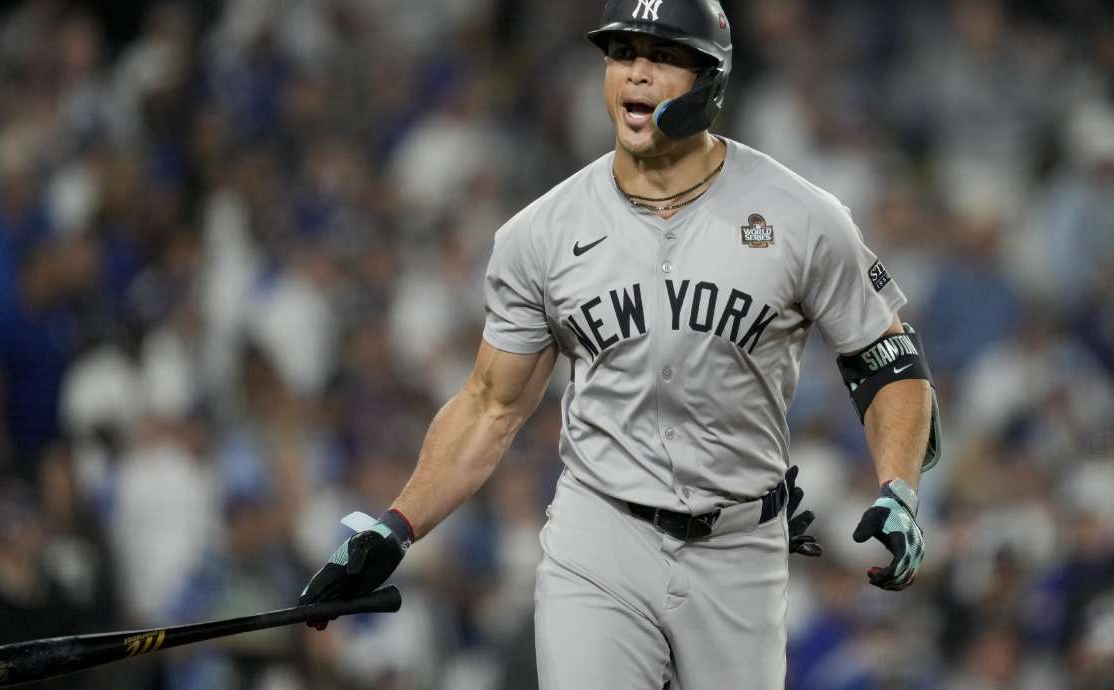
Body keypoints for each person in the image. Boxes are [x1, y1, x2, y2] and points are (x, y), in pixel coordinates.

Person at [299, 1, 941, 688]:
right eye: (622, 53)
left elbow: (887, 362)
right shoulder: (540, 233)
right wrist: (397, 526)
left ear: (711, 81)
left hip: (739, 547)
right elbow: (491, 405)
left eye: (662, 56)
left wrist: (899, 487)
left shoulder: (802, 216)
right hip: (600, 534)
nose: (635, 74)